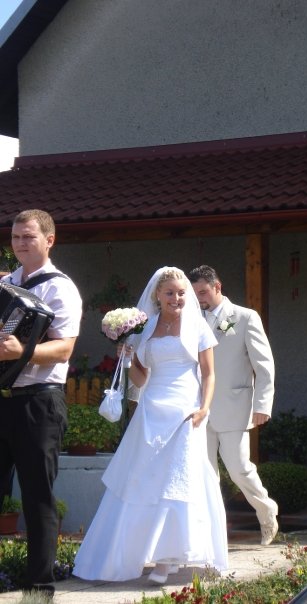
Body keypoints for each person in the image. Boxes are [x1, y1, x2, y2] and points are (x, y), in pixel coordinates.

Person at [73, 266, 228, 585]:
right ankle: (135, 551)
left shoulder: (197, 325)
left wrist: (204, 408)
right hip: (152, 407)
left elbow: (209, 373)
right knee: (145, 478)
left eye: (182, 293)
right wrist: (128, 358)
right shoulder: (146, 328)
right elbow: (141, 378)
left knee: (177, 480)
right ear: (157, 295)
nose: (176, 298)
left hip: (186, 410)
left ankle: (167, 558)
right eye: (170, 293)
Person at [0, 209, 83, 598]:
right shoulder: (7, 283)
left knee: (37, 497)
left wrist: (23, 352)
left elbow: (64, 348)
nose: (20, 243)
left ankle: (38, 588)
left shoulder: (60, 288)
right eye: (16, 236)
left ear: (49, 240)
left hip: (39, 402)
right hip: (3, 399)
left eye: (28, 237)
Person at [188, 265, 278, 546]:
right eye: (195, 293)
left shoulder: (244, 317)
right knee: (204, 473)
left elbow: (264, 365)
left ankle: (266, 511)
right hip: (198, 409)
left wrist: (263, 404)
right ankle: (211, 533)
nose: (199, 298)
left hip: (234, 406)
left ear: (217, 286)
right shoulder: (190, 319)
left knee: (239, 468)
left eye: (203, 291)